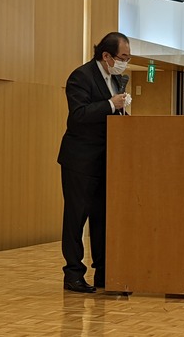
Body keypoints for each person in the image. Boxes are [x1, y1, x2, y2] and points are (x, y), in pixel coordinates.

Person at [57, 32, 131, 293]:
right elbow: (78, 115)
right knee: (76, 218)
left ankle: (104, 272)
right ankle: (73, 274)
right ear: (106, 55)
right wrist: (110, 104)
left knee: (102, 218)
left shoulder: (116, 79)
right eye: (123, 57)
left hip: (106, 160)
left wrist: (123, 110)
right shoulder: (81, 76)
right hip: (80, 160)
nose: (125, 63)